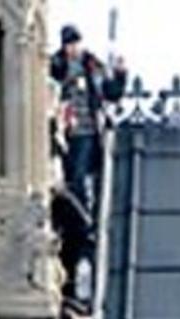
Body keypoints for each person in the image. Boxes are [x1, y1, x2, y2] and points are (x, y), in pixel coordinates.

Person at [49, 24, 127, 212]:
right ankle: (74, 216)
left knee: (80, 177)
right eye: (69, 44)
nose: (73, 48)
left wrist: (120, 74)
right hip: (64, 131)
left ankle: (84, 218)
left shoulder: (92, 65)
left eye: (75, 43)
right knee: (67, 178)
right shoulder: (55, 65)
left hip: (87, 130)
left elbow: (111, 92)